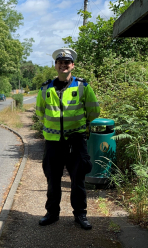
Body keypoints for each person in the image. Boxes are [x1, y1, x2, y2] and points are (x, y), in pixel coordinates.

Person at [35, 48, 100, 230]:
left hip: (76, 141)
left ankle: (80, 214)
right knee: (53, 179)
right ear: (55, 65)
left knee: (78, 179)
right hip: (53, 142)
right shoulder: (46, 88)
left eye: (67, 62)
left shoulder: (82, 86)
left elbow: (94, 110)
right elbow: (40, 112)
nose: (64, 65)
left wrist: (80, 127)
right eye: (60, 62)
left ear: (73, 65)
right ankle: (52, 213)